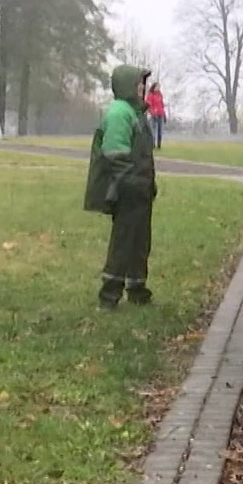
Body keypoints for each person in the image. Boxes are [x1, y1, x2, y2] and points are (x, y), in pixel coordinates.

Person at [83, 65, 158, 309]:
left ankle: (137, 289)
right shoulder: (119, 113)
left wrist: (147, 185)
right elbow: (114, 153)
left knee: (139, 241)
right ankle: (109, 294)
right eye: (138, 83)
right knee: (124, 242)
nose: (142, 87)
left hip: (139, 189)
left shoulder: (135, 112)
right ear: (127, 85)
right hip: (127, 189)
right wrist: (132, 182)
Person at [146, 82, 167, 150]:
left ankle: (159, 145)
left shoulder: (160, 95)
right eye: (157, 87)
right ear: (154, 87)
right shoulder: (151, 95)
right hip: (154, 114)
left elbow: (162, 105)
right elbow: (149, 105)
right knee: (153, 130)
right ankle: (153, 144)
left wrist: (164, 115)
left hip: (161, 114)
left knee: (160, 130)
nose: (158, 88)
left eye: (159, 87)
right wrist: (152, 113)